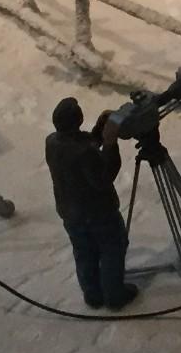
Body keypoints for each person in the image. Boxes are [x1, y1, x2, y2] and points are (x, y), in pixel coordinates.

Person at [45, 97, 136, 311]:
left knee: (84, 253)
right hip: (99, 213)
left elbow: (82, 145)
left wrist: (99, 129)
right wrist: (110, 143)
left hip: (71, 213)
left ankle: (93, 294)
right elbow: (104, 176)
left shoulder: (52, 142)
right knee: (112, 249)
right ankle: (115, 295)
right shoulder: (84, 152)